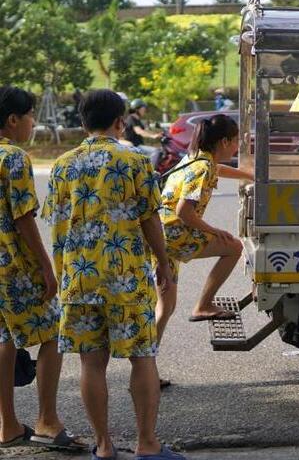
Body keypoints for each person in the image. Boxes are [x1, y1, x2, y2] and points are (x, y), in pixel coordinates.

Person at [43, 89, 185, 460]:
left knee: (91, 362)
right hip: (125, 280)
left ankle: (104, 447)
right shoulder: (133, 159)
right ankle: (147, 444)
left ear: (83, 121)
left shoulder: (62, 165)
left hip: (78, 279)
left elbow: (57, 225)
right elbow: (150, 217)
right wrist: (164, 264)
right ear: (120, 121)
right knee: (142, 356)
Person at [0, 87, 82, 451]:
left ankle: (7, 426)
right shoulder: (13, 158)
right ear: (13, 120)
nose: (33, 123)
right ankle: (47, 420)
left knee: (4, 338)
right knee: (54, 332)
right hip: (14, 266)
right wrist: (47, 269)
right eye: (31, 115)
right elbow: (24, 219)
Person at [155, 114, 254, 352]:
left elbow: (217, 169)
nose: (236, 147)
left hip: (159, 235)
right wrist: (215, 230)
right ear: (224, 142)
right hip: (174, 233)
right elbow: (184, 212)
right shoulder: (202, 168)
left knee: (165, 306)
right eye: (235, 142)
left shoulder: (196, 159)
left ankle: (146, 369)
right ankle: (204, 305)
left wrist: (249, 175)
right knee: (233, 246)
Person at [123, 99, 162, 166]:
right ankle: (150, 172)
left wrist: (157, 134)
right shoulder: (131, 118)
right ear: (137, 109)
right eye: (143, 108)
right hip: (134, 146)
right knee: (155, 151)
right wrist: (153, 136)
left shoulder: (137, 119)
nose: (144, 110)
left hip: (138, 145)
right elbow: (139, 131)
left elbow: (145, 131)